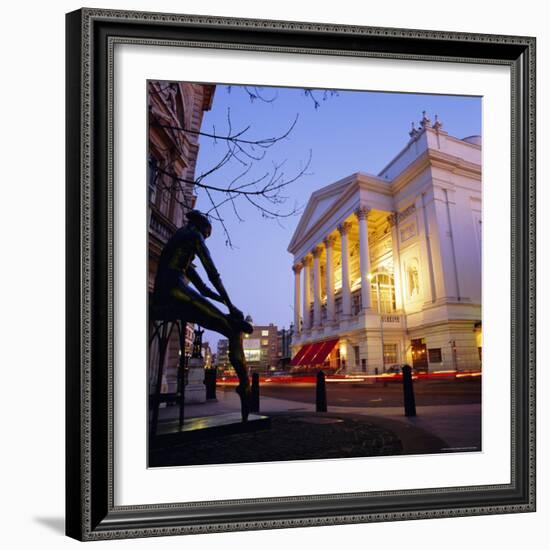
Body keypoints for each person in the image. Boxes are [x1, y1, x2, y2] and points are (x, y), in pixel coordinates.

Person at [152, 210, 254, 420]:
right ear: (201, 229)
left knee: (230, 324)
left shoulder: (180, 246)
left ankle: (244, 384)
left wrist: (229, 305)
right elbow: (212, 273)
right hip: (173, 289)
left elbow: (204, 289)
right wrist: (231, 308)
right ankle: (245, 386)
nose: (204, 240)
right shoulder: (193, 235)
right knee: (231, 329)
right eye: (206, 236)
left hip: (170, 288)